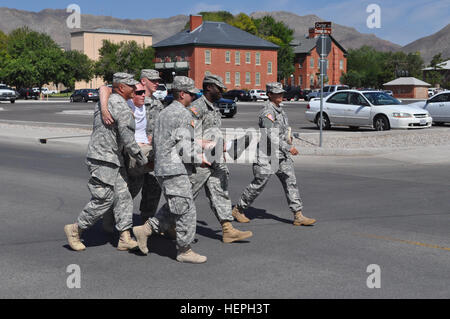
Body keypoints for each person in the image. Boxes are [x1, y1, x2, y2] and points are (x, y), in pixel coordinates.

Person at [64, 73, 149, 251]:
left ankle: (124, 236)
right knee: (103, 198)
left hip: (109, 158)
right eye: (131, 86)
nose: (135, 89)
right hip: (104, 158)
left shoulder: (108, 101)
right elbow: (128, 139)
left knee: (123, 195)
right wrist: (143, 159)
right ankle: (75, 229)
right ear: (121, 88)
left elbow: (105, 89)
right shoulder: (121, 106)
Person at [133, 76, 210, 264]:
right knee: (186, 209)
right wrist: (200, 158)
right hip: (174, 168)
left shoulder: (164, 113)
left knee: (177, 206)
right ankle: (184, 250)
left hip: (164, 167)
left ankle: (146, 230)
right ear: (182, 94)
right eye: (191, 94)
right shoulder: (183, 115)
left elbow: (161, 142)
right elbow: (184, 147)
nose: (193, 97)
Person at [232, 82, 316, 227]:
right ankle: (238, 209)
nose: (281, 95)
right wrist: (288, 148)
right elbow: (270, 135)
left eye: (282, 93)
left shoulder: (280, 111)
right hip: (267, 156)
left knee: (291, 181)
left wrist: (288, 140)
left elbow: (283, 131)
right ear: (269, 95)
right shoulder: (267, 112)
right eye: (277, 93)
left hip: (281, 155)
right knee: (259, 184)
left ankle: (298, 215)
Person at [188, 74, 253, 243]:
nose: (222, 91)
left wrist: (220, 148)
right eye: (219, 88)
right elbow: (190, 136)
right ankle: (154, 226)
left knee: (220, 191)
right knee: (186, 197)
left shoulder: (214, 108)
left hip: (214, 159)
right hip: (200, 162)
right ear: (209, 87)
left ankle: (228, 229)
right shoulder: (197, 108)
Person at [99, 69, 163, 224]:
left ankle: (147, 221)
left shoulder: (157, 103)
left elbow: (160, 126)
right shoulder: (129, 99)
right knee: (131, 188)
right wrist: (103, 108)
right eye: (153, 80)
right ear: (143, 81)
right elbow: (105, 88)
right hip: (133, 151)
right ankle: (111, 214)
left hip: (150, 150)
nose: (157, 83)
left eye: (157, 80)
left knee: (154, 187)